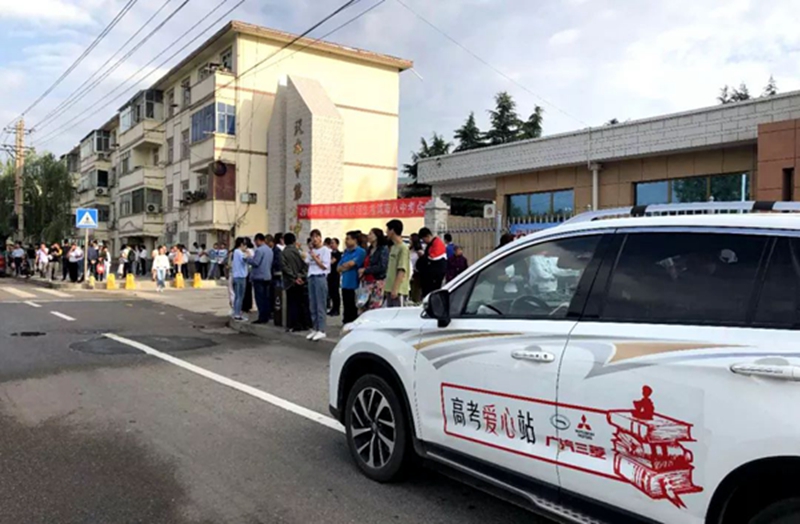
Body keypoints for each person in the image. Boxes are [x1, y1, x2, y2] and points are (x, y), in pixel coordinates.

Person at [305, 229, 331, 341]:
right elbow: (307, 262)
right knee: (313, 304)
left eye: (316, 236)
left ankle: (322, 329)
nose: (314, 239)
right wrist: (310, 252)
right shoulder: (311, 251)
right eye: (312, 237)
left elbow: (324, 266)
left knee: (320, 304)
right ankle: (315, 328)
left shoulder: (325, 250)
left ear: (320, 238)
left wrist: (315, 257)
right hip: (311, 276)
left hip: (320, 276)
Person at [281, 233, 308, 332]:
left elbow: (284, 267)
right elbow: (305, 265)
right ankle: (303, 324)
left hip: (290, 282)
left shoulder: (284, 253)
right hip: (301, 281)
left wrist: (294, 277)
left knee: (292, 304)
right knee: (301, 303)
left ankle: (294, 324)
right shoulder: (299, 252)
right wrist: (300, 276)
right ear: (294, 241)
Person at [358, 228, 389, 312]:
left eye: (371, 234)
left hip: (377, 281)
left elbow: (382, 266)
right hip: (366, 281)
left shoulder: (383, 249)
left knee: (374, 306)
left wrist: (366, 270)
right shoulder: (369, 249)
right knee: (363, 305)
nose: (369, 236)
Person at [338, 231, 366, 324]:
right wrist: (345, 266)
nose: (346, 241)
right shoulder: (346, 252)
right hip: (345, 284)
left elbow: (351, 264)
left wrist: (346, 266)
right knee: (346, 308)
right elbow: (338, 268)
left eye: (348, 239)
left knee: (353, 309)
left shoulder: (360, 252)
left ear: (355, 240)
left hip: (355, 285)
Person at [247, 233, 274, 324]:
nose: (255, 243)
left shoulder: (259, 250)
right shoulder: (269, 250)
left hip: (259, 277)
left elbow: (256, 262)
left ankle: (262, 317)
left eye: (255, 241)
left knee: (260, 298)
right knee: (266, 298)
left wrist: (248, 259)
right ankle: (266, 315)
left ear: (258, 240)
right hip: (267, 276)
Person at [385, 219, 411, 307]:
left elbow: (401, 269)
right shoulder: (393, 247)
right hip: (389, 288)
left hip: (398, 290)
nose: (386, 232)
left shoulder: (403, 248)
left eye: (387, 230)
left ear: (392, 230)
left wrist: (395, 288)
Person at [418, 227, 448, 298]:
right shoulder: (431, 244)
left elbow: (433, 257)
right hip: (429, 275)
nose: (424, 241)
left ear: (427, 236)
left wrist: (423, 256)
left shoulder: (437, 243)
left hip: (435, 275)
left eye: (423, 239)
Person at [231, 238, 249, 321]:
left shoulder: (235, 252)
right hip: (240, 277)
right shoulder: (239, 252)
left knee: (237, 296)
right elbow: (245, 259)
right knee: (240, 297)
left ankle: (235, 312)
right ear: (241, 244)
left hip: (236, 276)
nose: (246, 247)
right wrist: (248, 254)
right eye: (245, 245)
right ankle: (237, 314)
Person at [327, 237, 341, 316]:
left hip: (335, 275)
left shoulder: (338, 254)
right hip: (330, 275)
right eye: (331, 243)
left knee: (335, 293)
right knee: (331, 293)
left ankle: (336, 309)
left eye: (333, 243)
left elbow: (331, 262)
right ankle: (333, 308)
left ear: (337, 244)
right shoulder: (330, 253)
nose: (331, 245)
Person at [409, 233, 424, 303]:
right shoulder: (409, 250)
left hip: (416, 273)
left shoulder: (419, 252)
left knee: (415, 292)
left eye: (410, 240)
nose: (409, 241)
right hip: (409, 272)